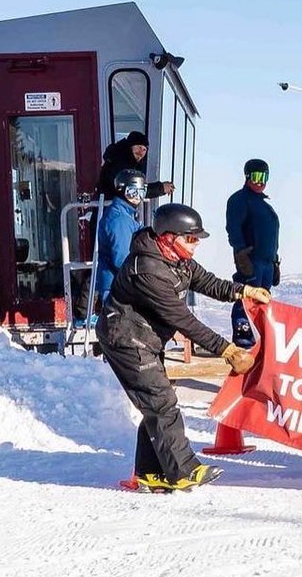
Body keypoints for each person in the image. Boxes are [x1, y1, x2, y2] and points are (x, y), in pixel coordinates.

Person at [97, 203, 269, 492]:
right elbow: (182, 319)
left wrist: (243, 291)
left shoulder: (178, 259)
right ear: (168, 236)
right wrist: (227, 350)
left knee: (155, 404)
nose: (196, 244)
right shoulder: (148, 270)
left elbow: (208, 282)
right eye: (191, 239)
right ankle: (184, 471)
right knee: (162, 403)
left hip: (146, 338)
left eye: (197, 239)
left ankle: (150, 473)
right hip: (124, 338)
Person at [226, 159, 280, 347]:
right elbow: (233, 227)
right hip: (251, 260)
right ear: (247, 176)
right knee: (247, 298)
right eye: (256, 176)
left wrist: (275, 262)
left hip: (267, 261)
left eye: (263, 176)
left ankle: (259, 340)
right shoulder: (239, 200)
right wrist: (241, 253)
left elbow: (271, 235)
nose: (260, 181)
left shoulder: (264, 205)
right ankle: (242, 338)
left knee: (262, 301)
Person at [95, 168, 146, 307]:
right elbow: (122, 259)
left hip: (119, 285)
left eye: (142, 192)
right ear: (121, 189)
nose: (137, 197)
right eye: (132, 191)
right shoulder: (119, 219)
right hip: (117, 287)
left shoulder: (126, 215)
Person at [95, 131, 174, 200]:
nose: (141, 152)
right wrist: (161, 188)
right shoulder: (120, 161)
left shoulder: (127, 162)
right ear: (130, 145)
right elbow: (131, 190)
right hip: (110, 210)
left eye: (144, 149)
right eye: (139, 147)